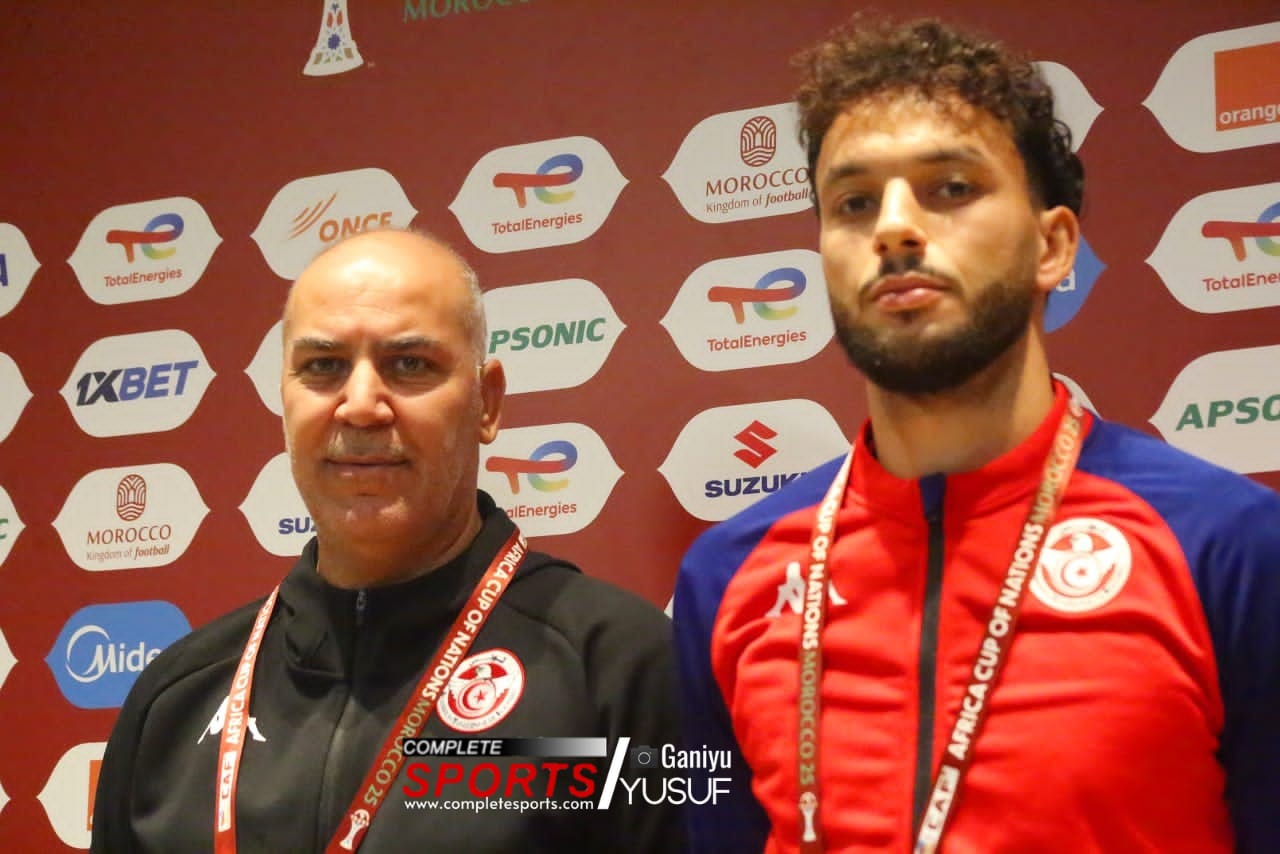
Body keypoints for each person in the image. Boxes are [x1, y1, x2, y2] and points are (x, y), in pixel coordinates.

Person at [673, 16, 1280, 854]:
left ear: (1052, 245)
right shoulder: (727, 573)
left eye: (950, 188)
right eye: (853, 203)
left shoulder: (1228, 544)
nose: (893, 227)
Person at [92, 228, 683, 853]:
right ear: (285, 397)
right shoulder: (175, 698)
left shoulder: (622, 670)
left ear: (487, 402)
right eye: (323, 367)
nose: (362, 405)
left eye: (410, 365)